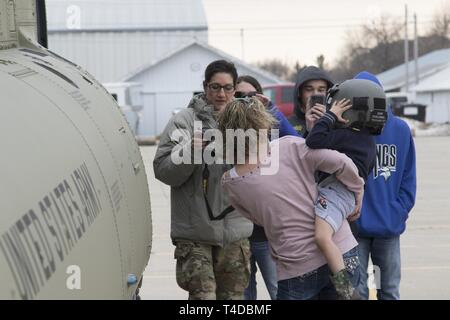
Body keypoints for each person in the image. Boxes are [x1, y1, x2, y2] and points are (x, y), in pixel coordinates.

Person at [219, 98, 364, 300]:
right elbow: (341, 162)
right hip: (340, 250)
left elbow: (256, 218)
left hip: (296, 267)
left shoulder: (230, 182)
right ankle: (346, 291)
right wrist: (358, 189)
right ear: (263, 123)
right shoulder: (289, 146)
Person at [153, 60, 253, 300]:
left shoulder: (245, 120)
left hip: (235, 234)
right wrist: (191, 150)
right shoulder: (184, 122)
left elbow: (266, 170)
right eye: (215, 87)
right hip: (195, 235)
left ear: (235, 89)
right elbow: (163, 170)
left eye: (228, 88)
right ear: (204, 86)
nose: (221, 94)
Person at [305, 78, 387, 299]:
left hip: (335, 195)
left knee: (322, 237)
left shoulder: (345, 136)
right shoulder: (366, 140)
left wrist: (330, 117)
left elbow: (313, 141)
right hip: (346, 195)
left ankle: (345, 288)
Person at [353, 71, 417, 300]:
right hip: (356, 229)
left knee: (387, 290)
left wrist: (398, 211)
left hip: (387, 230)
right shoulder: (348, 129)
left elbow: (409, 177)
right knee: (358, 293)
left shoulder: (399, 130)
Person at [234, 75, 298, 300]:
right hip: (237, 234)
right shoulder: (225, 130)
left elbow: (296, 141)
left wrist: (271, 109)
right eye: (239, 96)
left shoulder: (271, 128)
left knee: (279, 291)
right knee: (244, 296)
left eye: (252, 96)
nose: (246, 101)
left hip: (267, 232)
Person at [289, 66, 334, 137]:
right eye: (309, 89)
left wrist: (325, 122)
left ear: (327, 93)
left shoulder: (335, 123)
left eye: (321, 90)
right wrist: (308, 131)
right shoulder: (283, 125)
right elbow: (273, 147)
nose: (315, 94)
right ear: (299, 93)